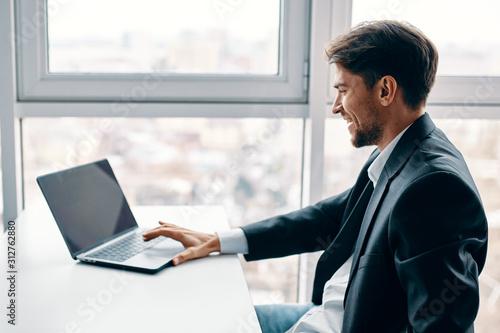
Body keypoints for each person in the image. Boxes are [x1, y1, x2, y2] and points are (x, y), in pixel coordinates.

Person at [143, 20, 488, 332]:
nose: (336, 106)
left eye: (343, 89)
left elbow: (444, 327)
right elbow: (326, 219)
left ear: (385, 91)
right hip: (323, 312)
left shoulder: (433, 188)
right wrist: (219, 241)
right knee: (201, 319)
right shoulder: (402, 150)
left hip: (336, 324)